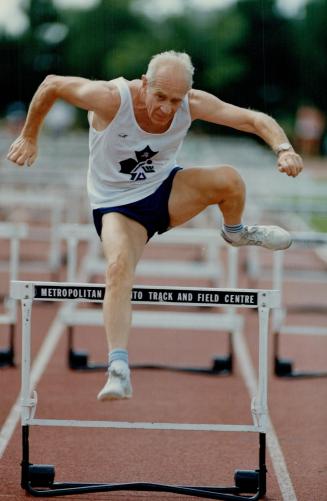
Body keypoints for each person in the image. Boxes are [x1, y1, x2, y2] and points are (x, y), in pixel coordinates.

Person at [7, 50, 303, 401]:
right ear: (144, 84)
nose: (166, 108)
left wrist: (284, 148)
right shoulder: (111, 98)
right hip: (116, 204)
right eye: (159, 96)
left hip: (164, 191)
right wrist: (29, 135)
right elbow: (52, 84)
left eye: (175, 101)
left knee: (230, 180)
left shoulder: (192, 103)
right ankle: (118, 367)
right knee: (118, 268)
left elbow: (253, 120)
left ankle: (236, 233)